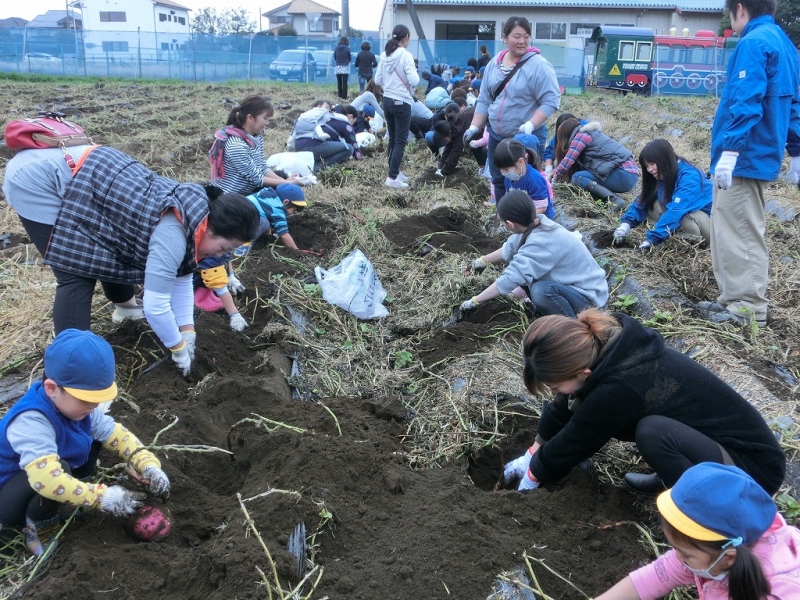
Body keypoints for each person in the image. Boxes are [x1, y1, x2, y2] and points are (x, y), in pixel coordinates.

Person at [3, 144, 259, 377]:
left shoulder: (196, 217)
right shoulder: (175, 231)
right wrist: (177, 347)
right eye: (223, 248)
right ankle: (71, 371)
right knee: (75, 272)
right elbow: (156, 306)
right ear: (211, 228)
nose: (219, 256)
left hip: (88, 177)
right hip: (40, 178)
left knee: (109, 248)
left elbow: (181, 280)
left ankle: (124, 306)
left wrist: (187, 330)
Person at [502, 308, 785, 495]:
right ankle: (674, 475)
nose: (554, 392)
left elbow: (578, 439)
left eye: (554, 386)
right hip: (712, 446)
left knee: (652, 432)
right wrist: (533, 451)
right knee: (655, 428)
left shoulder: (622, 383)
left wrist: (535, 475)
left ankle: (703, 503)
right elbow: (565, 402)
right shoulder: (604, 348)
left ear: (583, 373)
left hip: (751, 471)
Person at [0, 329, 170, 556]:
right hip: (10, 495)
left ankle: (69, 501)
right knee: (59, 470)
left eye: (98, 399)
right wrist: (102, 497)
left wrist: (148, 464)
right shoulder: (31, 420)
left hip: (47, 479)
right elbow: (46, 481)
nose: (94, 407)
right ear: (52, 389)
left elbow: (117, 435)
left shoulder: (79, 410)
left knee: (94, 439)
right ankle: (39, 527)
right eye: (87, 400)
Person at [705, 0, 800, 327]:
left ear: (740, 8)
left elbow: (746, 101)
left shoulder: (753, 43)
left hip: (745, 157)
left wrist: (730, 151)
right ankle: (730, 298)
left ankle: (747, 307)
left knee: (740, 231)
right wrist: (796, 148)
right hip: (755, 154)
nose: (732, 22)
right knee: (725, 227)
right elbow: (794, 102)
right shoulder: (784, 43)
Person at [595, 463, 800, 600]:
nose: (677, 558)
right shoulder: (715, 548)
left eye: (685, 555)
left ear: (729, 558)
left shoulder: (781, 592)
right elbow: (655, 576)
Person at [460, 190, 608, 318]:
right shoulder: (535, 223)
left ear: (510, 224)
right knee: (530, 283)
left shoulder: (541, 241)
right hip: (571, 289)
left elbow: (512, 277)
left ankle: (574, 329)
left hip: (590, 302)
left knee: (541, 291)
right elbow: (510, 247)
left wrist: (475, 301)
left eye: (504, 224)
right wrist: (481, 261)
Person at [464, 17, 561, 202]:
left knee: (528, 182)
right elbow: (484, 99)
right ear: (505, 37)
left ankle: (533, 215)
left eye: (526, 36)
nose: (522, 41)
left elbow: (551, 100)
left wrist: (530, 125)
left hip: (524, 138)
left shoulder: (538, 66)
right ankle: (503, 214)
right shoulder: (494, 64)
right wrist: (474, 126)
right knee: (499, 179)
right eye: (517, 36)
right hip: (496, 135)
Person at [614, 139, 712, 250]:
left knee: (682, 217)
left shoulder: (690, 178)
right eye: (646, 166)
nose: (649, 169)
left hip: (711, 227)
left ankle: (692, 243)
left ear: (665, 160)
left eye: (652, 164)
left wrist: (652, 239)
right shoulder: (664, 173)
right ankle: (670, 234)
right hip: (685, 216)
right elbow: (643, 200)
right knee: (651, 203)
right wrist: (626, 224)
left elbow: (676, 210)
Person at [208, 95, 300, 195]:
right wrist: (287, 183)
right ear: (250, 118)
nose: (267, 123)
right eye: (265, 118)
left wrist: (285, 181)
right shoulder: (236, 145)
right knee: (279, 189)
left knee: (281, 176)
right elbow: (257, 179)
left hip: (249, 188)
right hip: (233, 197)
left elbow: (263, 168)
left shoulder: (256, 137)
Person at [551, 117, 638, 211]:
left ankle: (614, 200)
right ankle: (609, 198)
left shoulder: (581, 137)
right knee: (583, 175)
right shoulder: (591, 134)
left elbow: (567, 162)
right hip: (629, 174)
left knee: (578, 177)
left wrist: (553, 180)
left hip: (623, 174)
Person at [374, 24, 420, 189]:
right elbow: (415, 80)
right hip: (401, 101)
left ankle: (393, 172)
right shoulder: (406, 55)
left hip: (387, 100)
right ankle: (392, 177)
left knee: (393, 139)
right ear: (406, 37)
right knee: (400, 141)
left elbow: (378, 80)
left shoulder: (385, 55)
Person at [493, 138, 554, 217]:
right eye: (501, 170)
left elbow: (542, 208)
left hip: (539, 216)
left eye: (506, 169)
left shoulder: (534, 179)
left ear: (520, 161)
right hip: (522, 215)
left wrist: (522, 219)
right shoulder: (509, 178)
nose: (504, 173)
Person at [292, 100, 357, 171]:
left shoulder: (318, 117)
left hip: (298, 146)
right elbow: (354, 146)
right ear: (350, 116)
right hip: (313, 146)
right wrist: (360, 158)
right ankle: (316, 168)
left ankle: (309, 165)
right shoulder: (344, 123)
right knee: (349, 149)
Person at [193, 250, 248, 332]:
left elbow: (227, 257)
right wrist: (234, 314)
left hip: (208, 275)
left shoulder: (223, 247)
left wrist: (231, 276)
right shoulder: (210, 256)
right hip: (192, 281)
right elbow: (221, 289)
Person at [542, 112, 586, 177]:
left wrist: (556, 174)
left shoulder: (583, 133)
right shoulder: (562, 132)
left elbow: (569, 159)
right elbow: (550, 150)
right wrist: (548, 168)